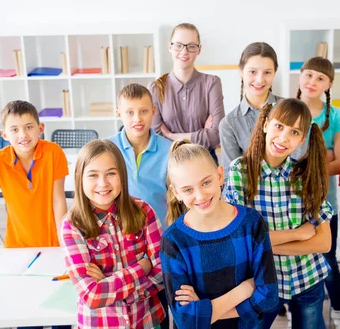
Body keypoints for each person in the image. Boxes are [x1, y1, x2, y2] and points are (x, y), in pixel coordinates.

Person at [226, 98, 333, 329]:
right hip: (262, 282)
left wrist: (267, 246)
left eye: (294, 132)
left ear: (302, 138)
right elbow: (240, 239)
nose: (284, 137)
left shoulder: (304, 175)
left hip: (308, 279)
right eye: (279, 126)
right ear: (265, 124)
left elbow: (324, 243)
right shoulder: (240, 170)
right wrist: (300, 233)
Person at [161, 140, 278, 328]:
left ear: (220, 175)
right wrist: (244, 290)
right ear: (176, 193)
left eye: (206, 182)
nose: (200, 196)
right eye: (188, 189)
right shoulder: (173, 241)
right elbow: (185, 320)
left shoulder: (251, 223)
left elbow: (269, 295)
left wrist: (205, 312)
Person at [61, 140, 165, 329]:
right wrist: (142, 268)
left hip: (147, 321)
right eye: (93, 175)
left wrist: (107, 283)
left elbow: (163, 273)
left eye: (111, 173)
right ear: (79, 177)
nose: (103, 183)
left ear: (122, 175)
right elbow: (92, 296)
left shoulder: (144, 211)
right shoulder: (72, 225)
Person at [0, 100, 68, 253]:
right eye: (14, 129)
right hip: (16, 245)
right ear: (4, 134)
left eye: (28, 127)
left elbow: (58, 199)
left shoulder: (54, 153)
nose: (23, 135)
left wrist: (64, 243)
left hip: (53, 242)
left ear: (40, 128)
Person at [296, 56, 340, 325]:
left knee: (327, 259)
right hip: (290, 202)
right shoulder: (289, 110)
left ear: (329, 84)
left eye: (320, 78)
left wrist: (308, 166)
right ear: (299, 76)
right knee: (296, 253)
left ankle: (338, 306)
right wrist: (322, 156)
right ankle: (298, 307)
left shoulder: (336, 116)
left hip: (323, 201)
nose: (312, 82)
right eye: (308, 75)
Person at [148, 23, 225, 160]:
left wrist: (172, 136)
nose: (184, 52)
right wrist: (202, 133)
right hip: (169, 161)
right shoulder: (155, 88)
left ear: (199, 49)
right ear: (170, 47)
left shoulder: (212, 83)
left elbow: (216, 136)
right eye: (178, 45)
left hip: (205, 160)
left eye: (191, 46)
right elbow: (156, 138)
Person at [108, 83, 172, 227]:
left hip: (159, 232)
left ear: (153, 111)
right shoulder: (107, 149)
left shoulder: (169, 150)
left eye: (143, 111)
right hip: (119, 234)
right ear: (119, 114)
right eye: (130, 112)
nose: (137, 119)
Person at [219, 41, 281, 182]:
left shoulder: (291, 111)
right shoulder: (229, 124)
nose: (259, 80)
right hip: (250, 200)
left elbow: (301, 162)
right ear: (241, 71)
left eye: (267, 72)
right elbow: (232, 177)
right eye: (252, 72)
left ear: (274, 73)